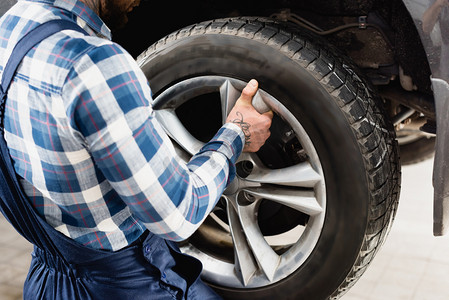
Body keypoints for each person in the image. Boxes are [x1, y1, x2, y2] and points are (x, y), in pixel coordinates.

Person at [0, 0, 273, 299]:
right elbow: (179, 214)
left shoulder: (10, 27)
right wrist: (235, 134)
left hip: (45, 284)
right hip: (127, 287)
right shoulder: (93, 64)